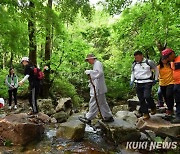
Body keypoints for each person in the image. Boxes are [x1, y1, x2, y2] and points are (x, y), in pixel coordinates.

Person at [79, 54, 114, 124]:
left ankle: (88, 117)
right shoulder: (96, 64)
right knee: (103, 103)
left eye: (88, 60)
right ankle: (108, 116)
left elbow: (99, 73)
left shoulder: (97, 63)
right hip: (99, 87)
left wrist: (90, 72)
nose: (88, 62)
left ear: (92, 59)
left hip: (98, 88)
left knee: (93, 102)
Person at [130, 51, 159, 120]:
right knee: (141, 99)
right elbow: (133, 73)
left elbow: (156, 69)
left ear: (141, 56)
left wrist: (155, 78)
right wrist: (132, 80)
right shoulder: (134, 64)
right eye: (135, 58)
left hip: (147, 82)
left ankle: (153, 107)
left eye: (137, 57)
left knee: (147, 96)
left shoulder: (148, 62)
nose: (136, 59)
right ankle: (145, 113)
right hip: (138, 82)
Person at [162, 48, 180, 123]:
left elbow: (177, 66)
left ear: (172, 54)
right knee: (178, 100)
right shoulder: (172, 62)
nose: (168, 59)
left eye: (168, 57)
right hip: (176, 83)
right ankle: (178, 116)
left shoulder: (178, 59)